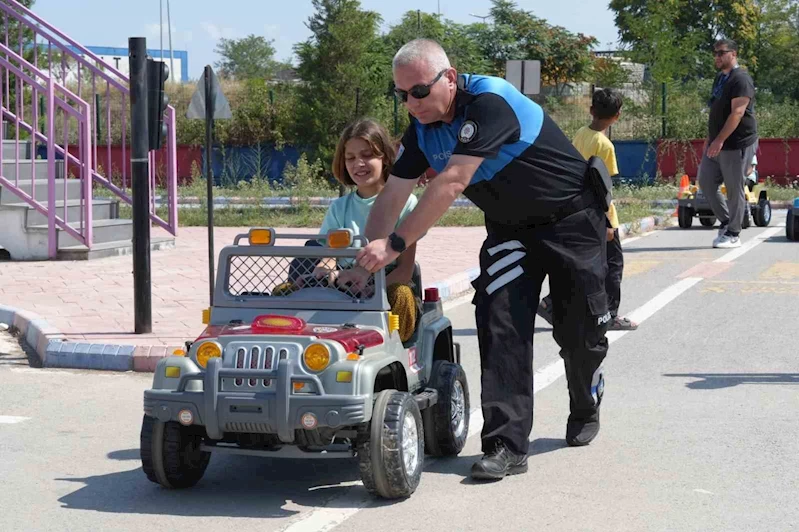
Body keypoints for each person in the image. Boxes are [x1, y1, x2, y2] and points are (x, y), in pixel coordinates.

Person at [353, 39, 611, 480]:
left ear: (449, 78)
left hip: (572, 219)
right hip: (512, 231)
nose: (411, 103)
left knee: (580, 330)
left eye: (418, 91)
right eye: (402, 94)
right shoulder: (422, 131)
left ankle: (586, 399)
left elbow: (453, 182)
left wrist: (394, 245)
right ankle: (507, 445)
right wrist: (362, 263)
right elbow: (393, 193)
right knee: (499, 317)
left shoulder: (490, 103)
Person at [312, 118, 421, 342]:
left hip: (383, 291)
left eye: (367, 155)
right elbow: (329, 257)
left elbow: (405, 269)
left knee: (401, 295)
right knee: (284, 292)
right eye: (350, 158)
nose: (358, 164)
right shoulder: (339, 207)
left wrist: (370, 291)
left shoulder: (406, 204)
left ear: (385, 157)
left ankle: (390, 349)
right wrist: (325, 272)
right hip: (343, 287)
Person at [538, 88, 638, 331]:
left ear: (591, 110)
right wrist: (607, 223)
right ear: (618, 115)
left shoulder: (581, 133)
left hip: (577, 209)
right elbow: (603, 187)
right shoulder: (605, 145)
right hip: (600, 215)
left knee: (581, 264)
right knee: (612, 266)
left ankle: (551, 303)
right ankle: (611, 314)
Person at [698, 38, 758, 249]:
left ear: (733, 54)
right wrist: (711, 139)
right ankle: (726, 221)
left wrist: (721, 140)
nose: (717, 57)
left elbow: (738, 112)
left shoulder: (741, 79)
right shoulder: (720, 78)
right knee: (705, 182)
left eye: (721, 53)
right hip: (717, 142)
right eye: (715, 53)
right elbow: (716, 111)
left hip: (736, 143)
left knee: (734, 188)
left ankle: (734, 233)